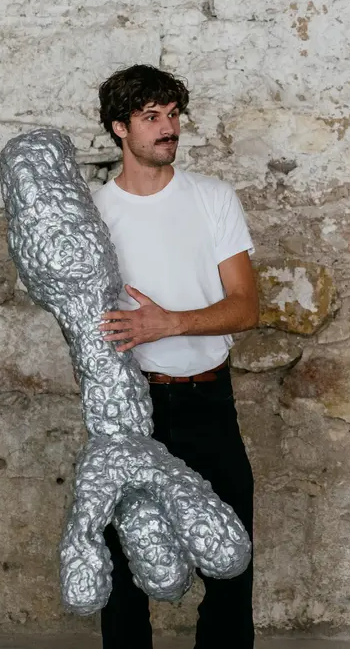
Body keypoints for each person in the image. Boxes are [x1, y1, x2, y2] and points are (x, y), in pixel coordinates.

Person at [92, 64, 259, 649]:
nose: (169, 128)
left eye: (173, 115)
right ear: (120, 128)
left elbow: (246, 307)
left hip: (208, 397)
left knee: (231, 557)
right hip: (131, 409)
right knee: (123, 565)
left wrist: (169, 323)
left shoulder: (212, 198)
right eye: (151, 117)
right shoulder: (94, 215)